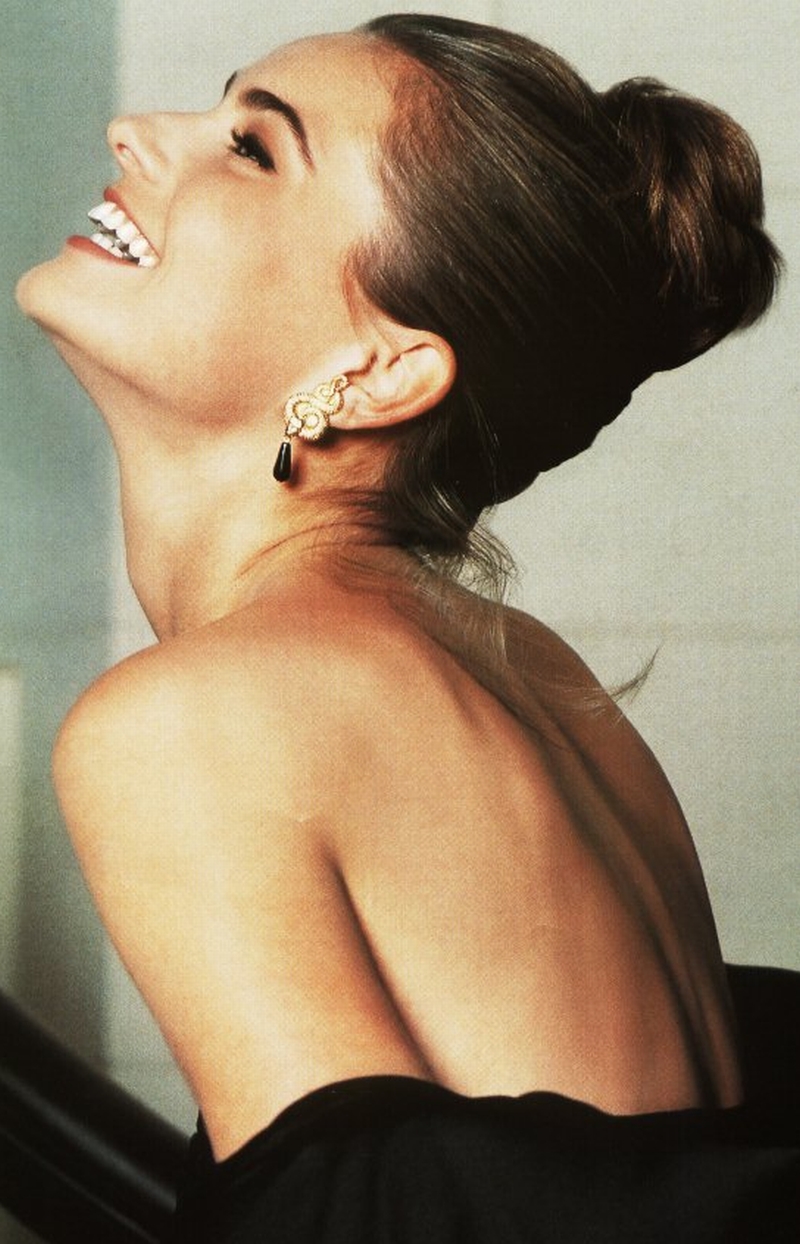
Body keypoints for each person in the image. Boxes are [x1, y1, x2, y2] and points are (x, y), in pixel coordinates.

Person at [15, 12, 794, 1243]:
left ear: (379, 371)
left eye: (253, 149)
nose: (134, 131)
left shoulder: (188, 719)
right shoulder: (525, 668)